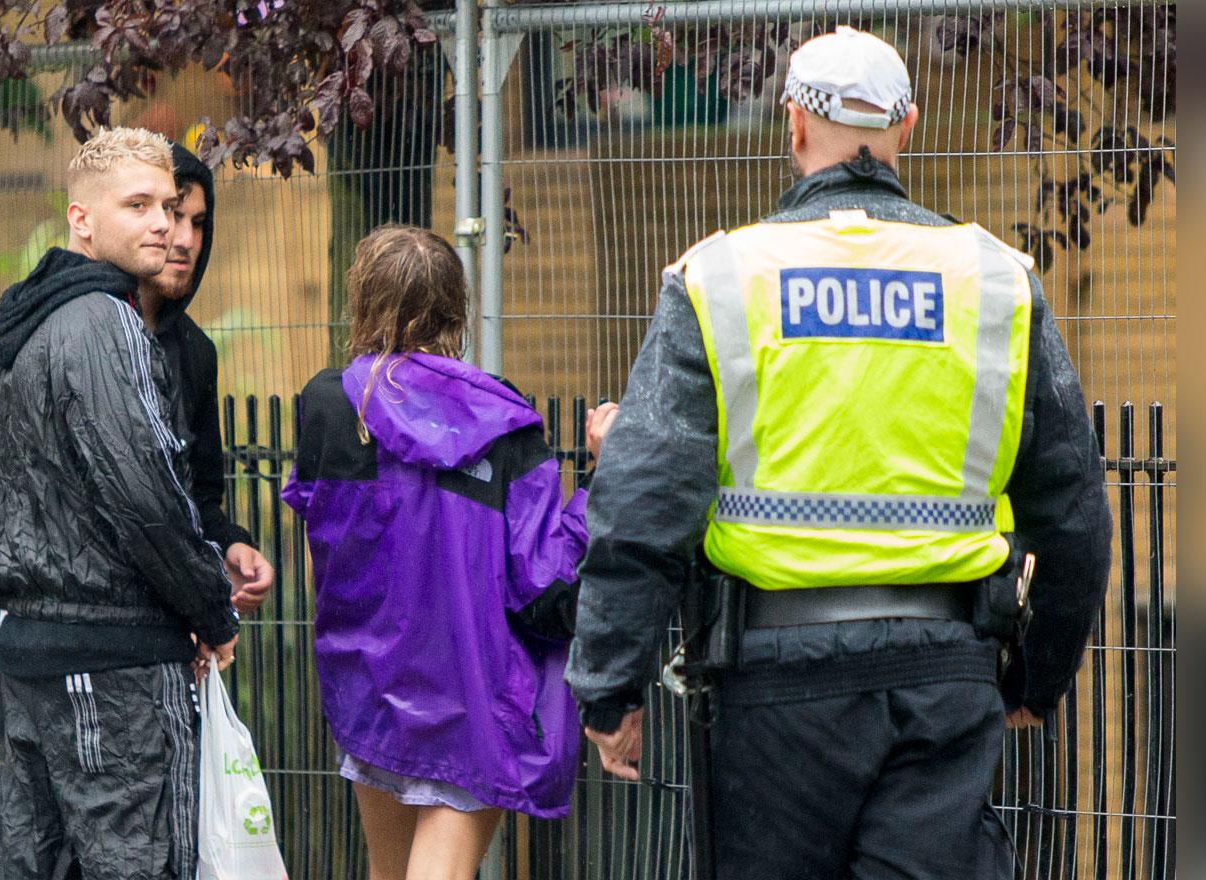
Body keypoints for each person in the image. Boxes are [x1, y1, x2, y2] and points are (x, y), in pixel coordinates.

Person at [566, 26, 1112, 879]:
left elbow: (645, 496)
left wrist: (610, 685)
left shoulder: (722, 277)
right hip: (944, 673)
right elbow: (1074, 511)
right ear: (908, 127)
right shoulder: (996, 280)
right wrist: (1035, 683)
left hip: (772, 689)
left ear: (792, 125)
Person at [282, 224, 617, 880]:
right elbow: (546, 585)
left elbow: (320, 547)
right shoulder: (502, 419)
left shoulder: (328, 403)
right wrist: (603, 482)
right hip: (474, 692)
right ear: (457, 311)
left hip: (368, 685)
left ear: (362, 298)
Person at [0, 127, 239, 880]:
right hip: (115, 665)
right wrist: (212, 611)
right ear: (82, 219)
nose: (162, 223)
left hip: (29, 660)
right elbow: (149, 497)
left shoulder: (14, 331)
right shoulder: (106, 322)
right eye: (137, 205)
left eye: (168, 205)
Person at [137, 143, 274, 614]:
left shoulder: (195, 352)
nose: (186, 240)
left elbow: (198, 498)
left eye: (198, 223)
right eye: (174, 215)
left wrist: (231, 545)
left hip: (168, 629)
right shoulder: (71, 328)